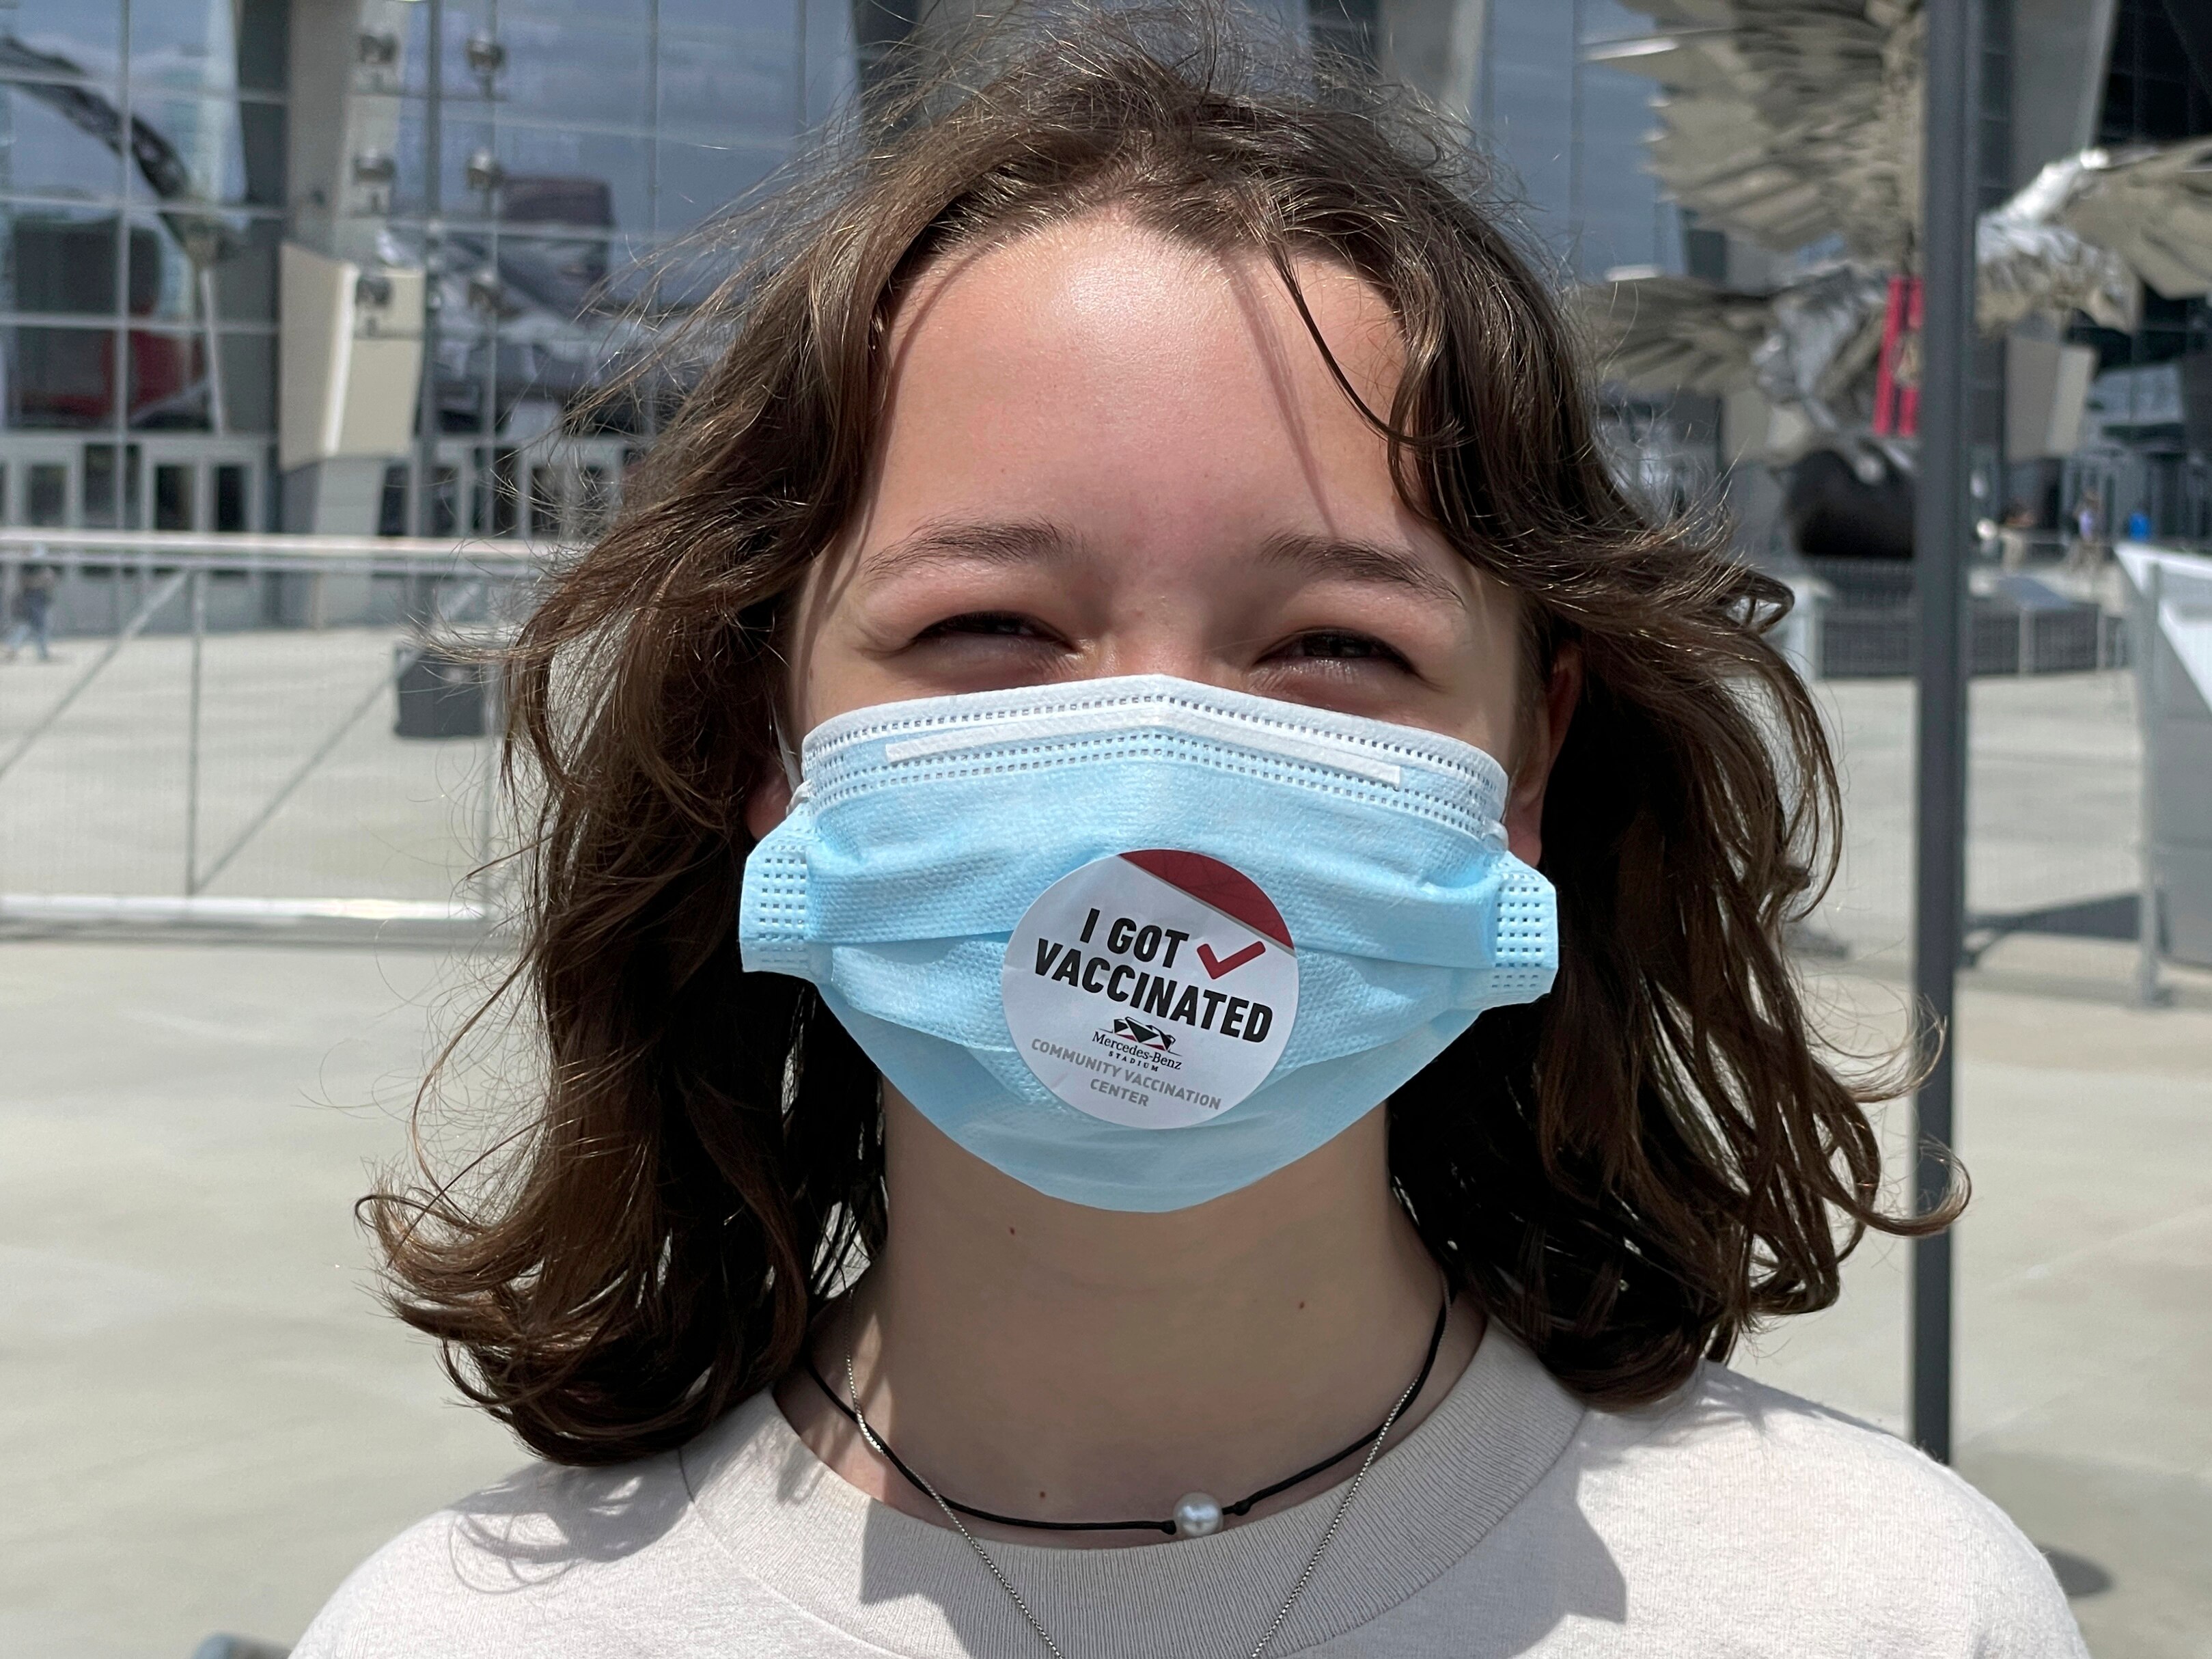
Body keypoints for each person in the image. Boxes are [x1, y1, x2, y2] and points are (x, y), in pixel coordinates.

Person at [297, 17, 2084, 1658]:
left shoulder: (1887, 1608)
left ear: (1521, 770)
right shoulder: (459, 1631)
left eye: (1333, 645)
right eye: (984, 626)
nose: (1153, 771)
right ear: (763, 735)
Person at [2, 562, 55, 661]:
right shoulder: (29, 569)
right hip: (32, 599)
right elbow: (26, 582)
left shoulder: (41, 570)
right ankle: (41, 652)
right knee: (33, 626)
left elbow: (49, 582)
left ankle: (14, 648)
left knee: (32, 626)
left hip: (38, 599)